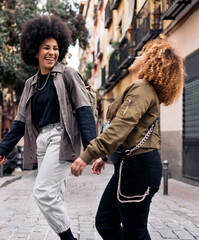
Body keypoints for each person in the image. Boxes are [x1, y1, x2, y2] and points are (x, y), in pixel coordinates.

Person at [0, 15, 96, 240]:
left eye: (56, 48)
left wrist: (93, 150)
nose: (52, 52)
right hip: (41, 141)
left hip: (61, 137)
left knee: (42, 193)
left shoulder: (67, 74)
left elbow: (84, 110)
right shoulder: (30, 84)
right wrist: (3, 149)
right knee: (55, 195)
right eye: (46, 48)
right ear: (35, 51)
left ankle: (68, 239)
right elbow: (20, 120)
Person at [71, 36, 184, 239]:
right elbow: (131, 131)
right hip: (129, 166)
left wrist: (87, 155)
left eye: (143, 55)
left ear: (149, 64)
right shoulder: (141, 89)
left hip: (138, 167)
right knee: (106, 222)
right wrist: (104, 157)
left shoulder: (142, 88)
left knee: (135, 232)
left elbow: (120, 127)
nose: (137, 56)